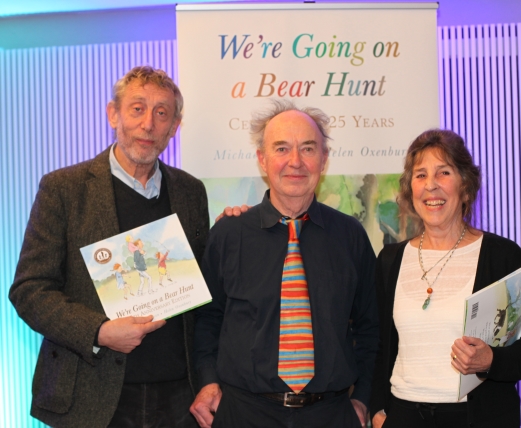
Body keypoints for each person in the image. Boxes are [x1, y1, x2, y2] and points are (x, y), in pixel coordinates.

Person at [9, 65, 209, 428]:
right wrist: (99, 331)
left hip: (180, 397)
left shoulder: (191, 191)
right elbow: (30, 290)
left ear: (174, 127)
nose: (148, 124)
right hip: (91, 396)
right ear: (112, 114)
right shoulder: (63, 188)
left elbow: (205, 287)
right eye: (137, 108)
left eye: (161, 113)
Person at [190, 100, 379, 428]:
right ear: (262, 160)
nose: (295, 162)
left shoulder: (350, 236)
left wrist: (362, 397)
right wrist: (207, 382)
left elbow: (370, 326)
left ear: (324, 158)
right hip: (243, 414)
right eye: (281, 149)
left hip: (331, 415)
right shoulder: (228, 234)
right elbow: (207, 320)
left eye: (308, 148)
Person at [369, 129, 521, 428]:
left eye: (443, 173)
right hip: (403, 416)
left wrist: (491, 360)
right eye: (420, 175)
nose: (431, 186)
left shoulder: (502, 256)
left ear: (465, 186)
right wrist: (377, 410)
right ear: (410, 189)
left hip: (476, 418)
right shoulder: (389, 260)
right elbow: (375, 347)